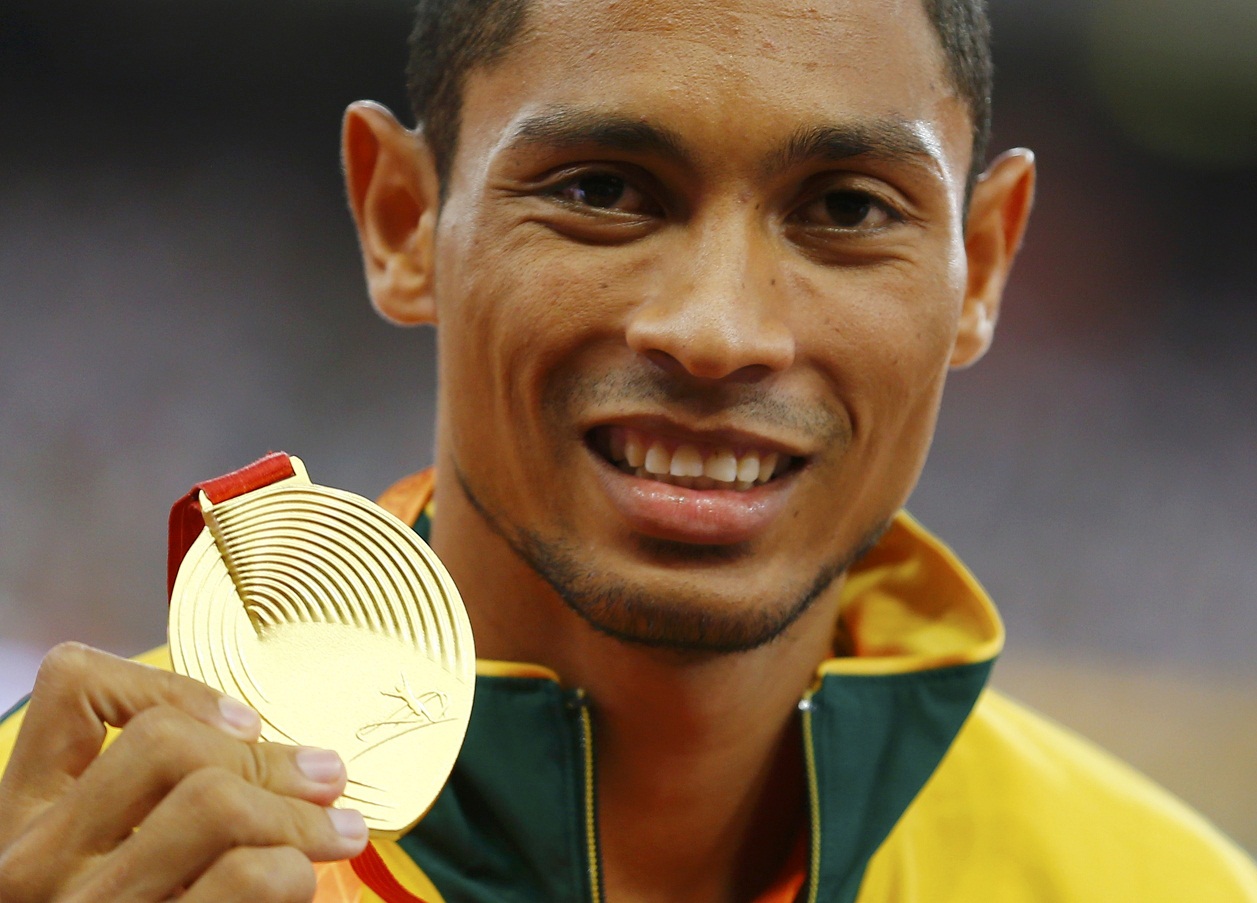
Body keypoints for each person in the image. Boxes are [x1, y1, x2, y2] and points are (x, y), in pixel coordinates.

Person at [1, 0, 1255, 899]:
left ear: (980, 266)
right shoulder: (58, 833)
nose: (718, 332)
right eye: (602, 190)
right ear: (400, 218)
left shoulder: (1161, 885)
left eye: (847, 210)